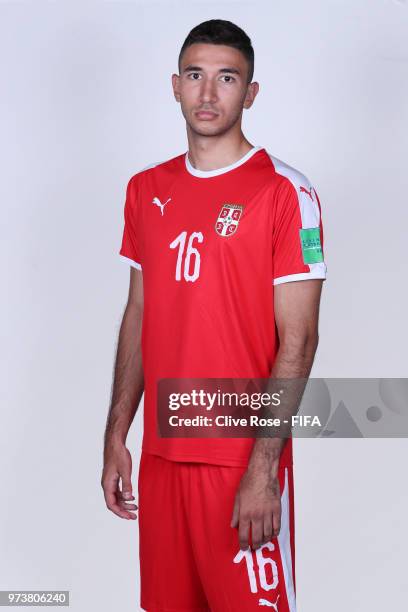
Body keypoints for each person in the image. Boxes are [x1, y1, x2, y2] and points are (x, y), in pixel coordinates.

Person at [101, 18, 327, 612]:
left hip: (237, 460)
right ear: (174, 85)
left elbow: (299, 341)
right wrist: (116, 433)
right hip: (161, 457)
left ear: (249, 93)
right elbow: (139, 315)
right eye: (196, 76)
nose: (208, 94)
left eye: (226, 78)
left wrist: (263, 469)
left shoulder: (284, 192)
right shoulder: (145, 189)